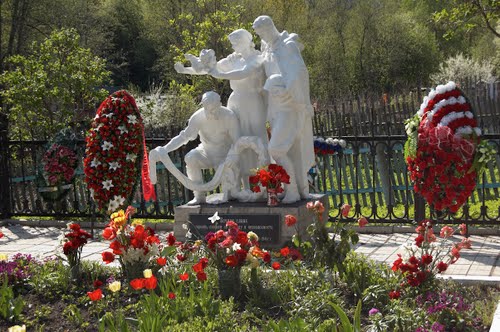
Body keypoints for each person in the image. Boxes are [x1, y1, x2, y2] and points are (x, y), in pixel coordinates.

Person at [176, 29, 268, 191]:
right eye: (232, 43)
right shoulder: (234, 58)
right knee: (237, 140)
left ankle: (265, 183)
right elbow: (211, 68)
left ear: (246, 40)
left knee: (257, 137)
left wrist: (218, 74)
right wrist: (187, 70)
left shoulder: (257, 57)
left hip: (253, 101)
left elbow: (242, 73)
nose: (233, 46)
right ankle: (244, 185)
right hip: (235, 100)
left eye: (235, 42)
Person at [253, 15, 315, 203]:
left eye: (261, 32)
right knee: (288, 149)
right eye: (258, 34)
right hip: (274, 105)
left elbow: (299, 72)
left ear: (269, 27)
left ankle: (294, 189)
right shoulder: (267, 47)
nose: (261, 37)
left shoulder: (287, 45)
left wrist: (287, 90)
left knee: (277, 149)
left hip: (289, 105)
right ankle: (296, 188)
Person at [151, 91, 240, 204]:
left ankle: (229, 192)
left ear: (220, 104)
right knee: (191, 158)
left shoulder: (229, 116)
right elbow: (183, 137)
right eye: (208, 110)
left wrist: (233, 155)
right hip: (206, 152)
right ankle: (199, 196)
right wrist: (165, 149)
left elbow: (237, 141)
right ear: (203, 106)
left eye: (214, 109)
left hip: (225, 155)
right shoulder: (197, 117)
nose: (211, 113)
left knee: (231, 196)